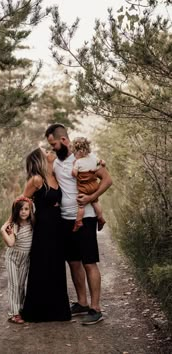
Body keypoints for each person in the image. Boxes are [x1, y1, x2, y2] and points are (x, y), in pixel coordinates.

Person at [45, 123, 112, 325]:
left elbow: (107, 180)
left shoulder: (84, 158)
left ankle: (96, 308)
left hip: (86, 218)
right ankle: (82, 303)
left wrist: (91, 196)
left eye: (54, 144)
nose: (52, 148)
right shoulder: (55, 162)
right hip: (65, 220)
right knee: (73, 262)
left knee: (89, 262)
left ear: (64, 140)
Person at [21, 147, 71, 322]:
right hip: (43, 227)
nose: (50, 151)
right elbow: (22, 202)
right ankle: (37, 312)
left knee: (56, 265)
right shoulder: (37, 180)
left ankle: (58, 311)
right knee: (42, 264)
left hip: (58, 225)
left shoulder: (55, 175)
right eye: (46, 150)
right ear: (41, 158)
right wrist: (13, 223)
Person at [0, 196, 34, 324]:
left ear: (30, 210)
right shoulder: (14, 226)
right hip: (13, 258)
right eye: (20, 209)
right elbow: (10, 243)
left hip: (25, 259)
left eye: (26, 209)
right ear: (16, 211)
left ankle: (20, 309)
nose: (24, 212)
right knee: (14, 285)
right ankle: (14, 313)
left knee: (20, 285)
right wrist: (3, 230)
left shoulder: (32, 225)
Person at [71, 136, 106, 232]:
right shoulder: (93, 157)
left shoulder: (78, 162)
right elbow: (102, 163)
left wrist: (73, 167)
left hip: (84, 187)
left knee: (81, 205)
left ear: (81, 151)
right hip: (94, 186)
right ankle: (100, 218)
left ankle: (78, 221)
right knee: (95, 202)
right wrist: (100, 165)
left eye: (75, 153)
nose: (74, 155)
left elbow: (74, 174)